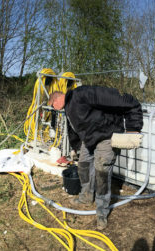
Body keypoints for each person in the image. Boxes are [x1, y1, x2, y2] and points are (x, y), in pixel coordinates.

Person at [48, 86, 144, 230]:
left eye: (52, 106)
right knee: (83, 166)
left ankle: (101, 213)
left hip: (107, 137)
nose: (54, 109)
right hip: (89, 140)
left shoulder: (82, 94)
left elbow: (125, 101)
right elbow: (74, 129)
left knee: (101, 174)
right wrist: (76, 147)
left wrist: (134, 127)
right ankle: (86, 197)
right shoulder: (68, 107)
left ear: (56, 100)